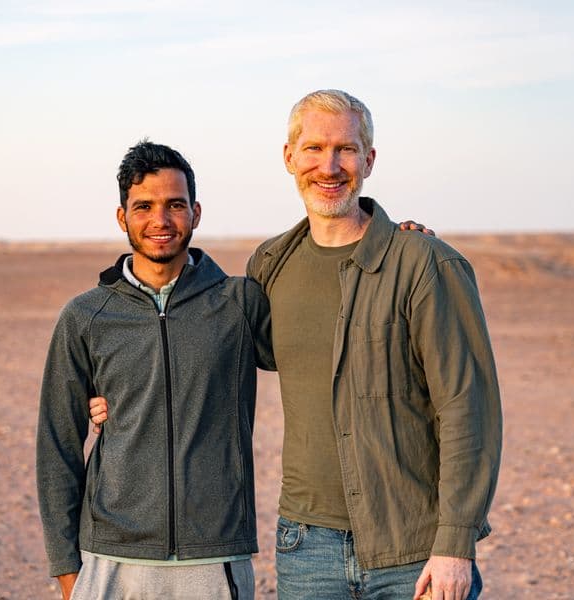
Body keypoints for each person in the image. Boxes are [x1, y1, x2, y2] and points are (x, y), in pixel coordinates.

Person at [93, 89, 502, 600]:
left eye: (345, 150)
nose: (328, 166)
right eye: (313, 149)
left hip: (414, 548)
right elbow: (209, 349)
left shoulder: (424, 265)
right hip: (307, 548)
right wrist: (122, 395)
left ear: (368, 160)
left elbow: (468, 410)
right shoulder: (271, 266)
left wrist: (455, 545)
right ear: (289, 158)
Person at [36, 140, 275, 600]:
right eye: (143, 206)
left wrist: (390, 239)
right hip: (111, 559)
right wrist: (68, 569)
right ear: (122, 217)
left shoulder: (238, 304)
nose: (160, 221)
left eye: (175, 205)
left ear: (196, 212)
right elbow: (56, 443)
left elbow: (321, 337)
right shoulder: (86, 316)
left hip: (213, 556)